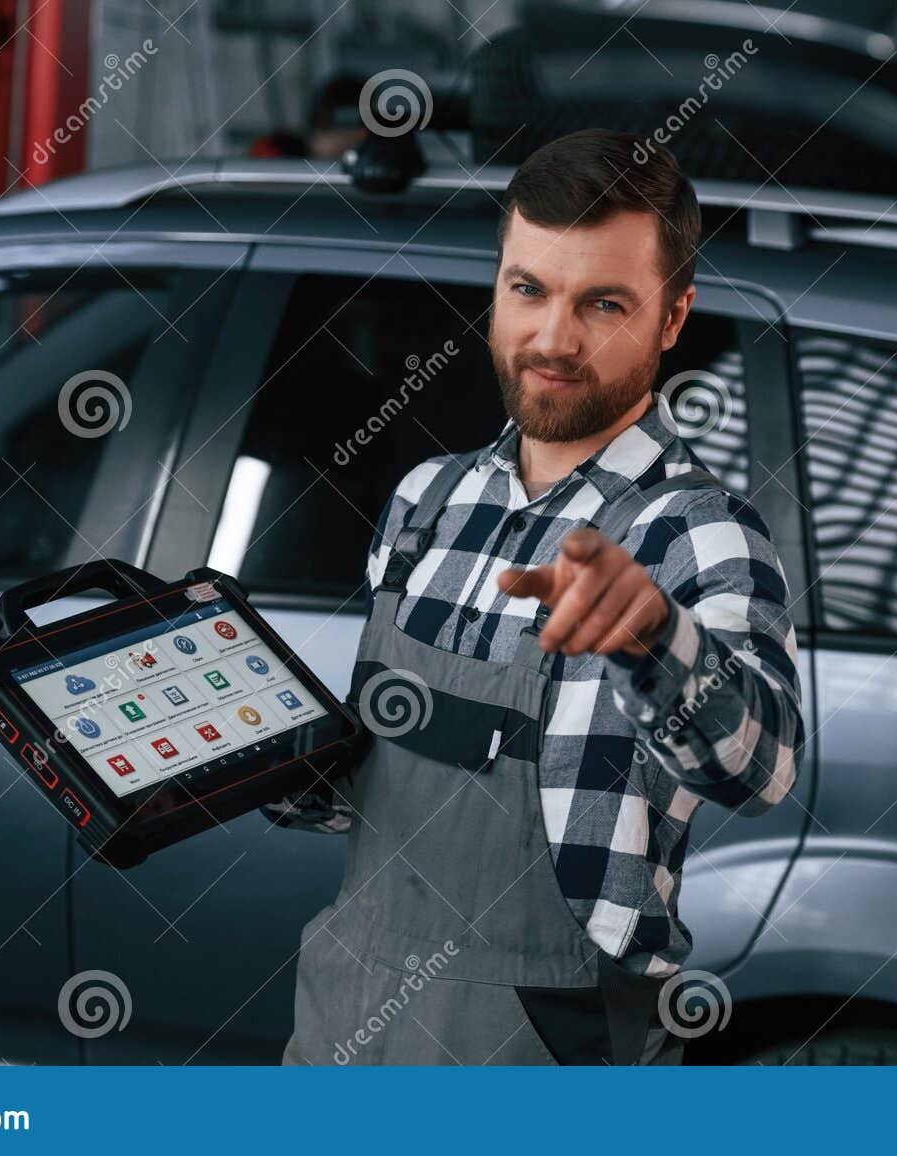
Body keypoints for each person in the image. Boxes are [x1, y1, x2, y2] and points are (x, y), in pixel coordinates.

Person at [271, 127, 805, 1065]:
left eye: (602, 303)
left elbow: (763, 770)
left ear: (673, 316)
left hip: (544, 1051)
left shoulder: (700, 532)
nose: (553, 339)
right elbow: (390, 787)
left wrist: (649, 633)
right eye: (529, 290)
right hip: (347, 1020)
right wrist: (254, 762)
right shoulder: (426, 502)